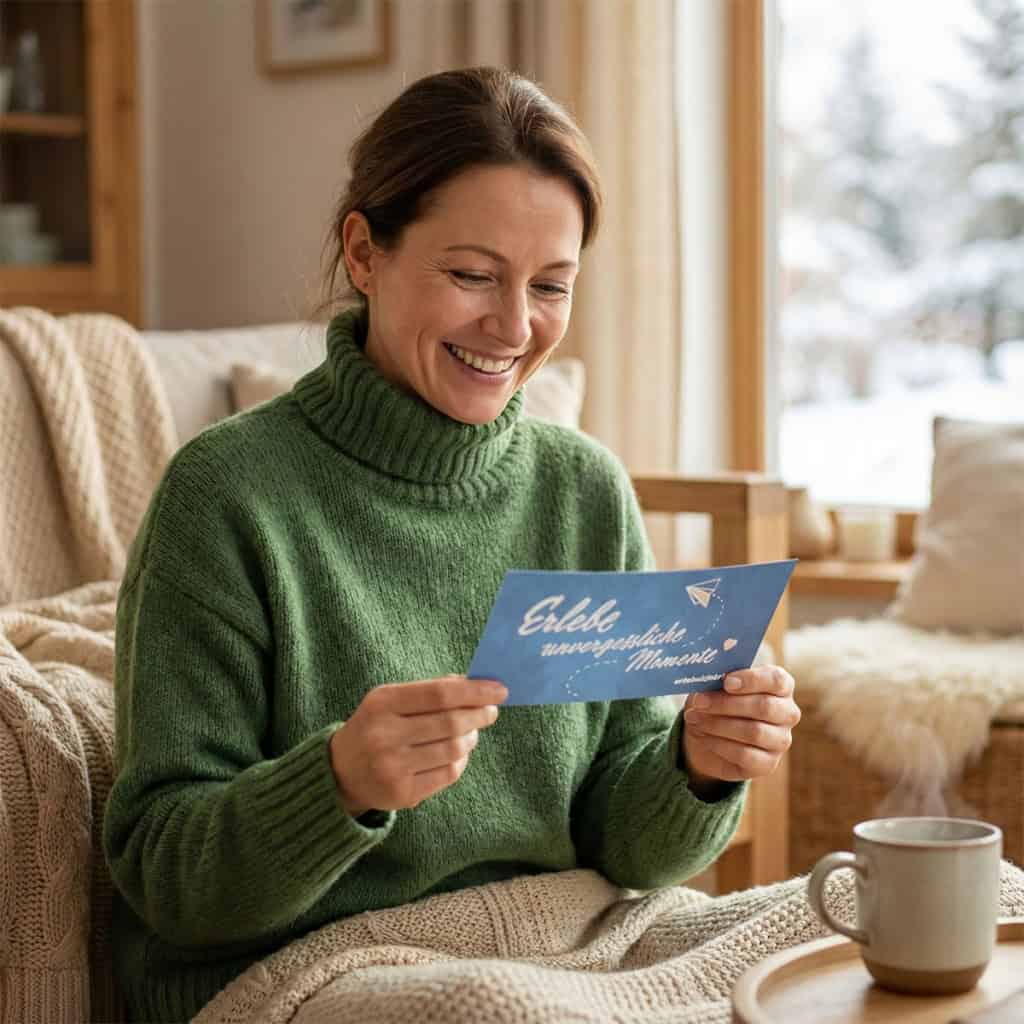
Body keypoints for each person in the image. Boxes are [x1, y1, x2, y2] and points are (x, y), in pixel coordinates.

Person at [102, 66, 801, 1021]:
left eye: (549, 286)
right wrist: (339, 784)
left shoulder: (584, 489)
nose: (513, 327)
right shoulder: (227, 494)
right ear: (364, 253)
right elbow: (166, 878)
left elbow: (631, 851)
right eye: (472, 275)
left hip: (569, 939)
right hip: (322, 966)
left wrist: (699, 766)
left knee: (914, 920)